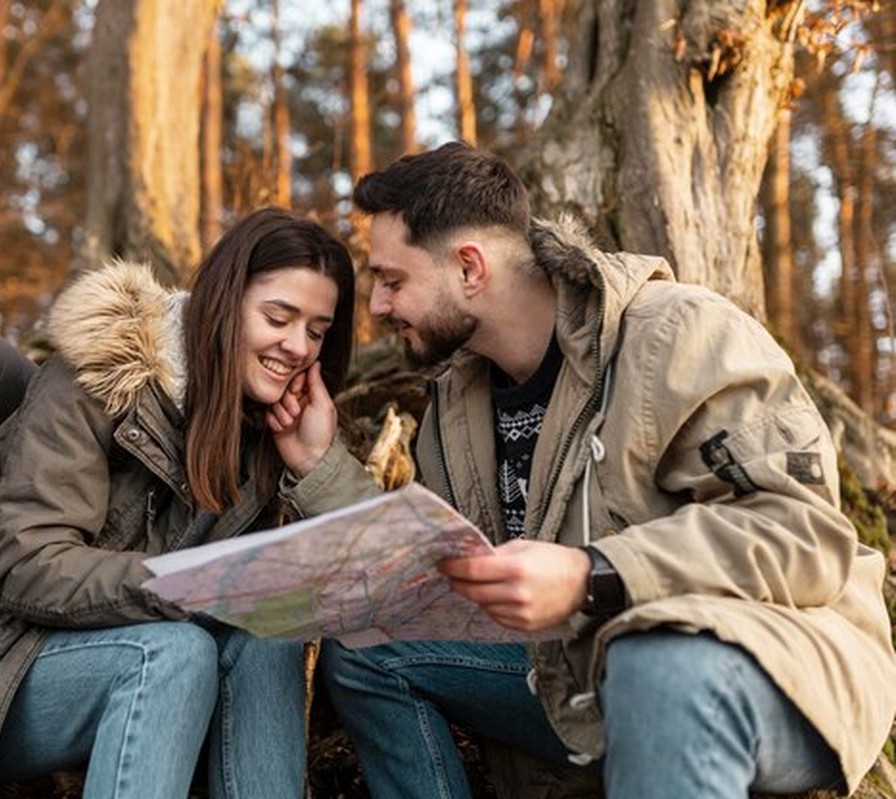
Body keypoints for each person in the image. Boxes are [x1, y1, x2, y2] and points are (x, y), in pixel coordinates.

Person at [268, 142, 896, 799]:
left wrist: (589, 572)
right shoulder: (457, 403)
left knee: (655, 662)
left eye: (393, 280)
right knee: (369, 650)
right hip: (573, 671)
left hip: (766, 667)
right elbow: (430, 574)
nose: (378, 308)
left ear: (469, 267)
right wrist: (318, 463)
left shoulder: (683, 335)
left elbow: (802, 537)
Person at [0, 206, 356, 799]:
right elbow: (28, 567)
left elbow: (365, 577)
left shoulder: (267, 431)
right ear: (224, 303)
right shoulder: (95, 379)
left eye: (317, 331)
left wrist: (317, 465)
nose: (298, 345)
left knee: (266, 637)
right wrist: (194, 584)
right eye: (279, 317)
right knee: (174, 654)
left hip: (137, 670)